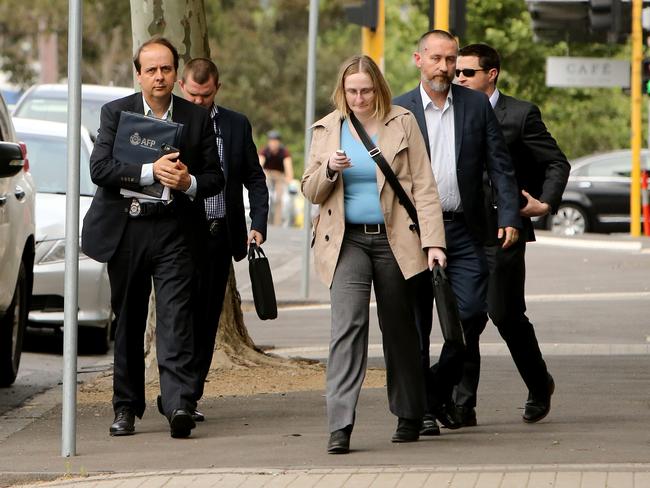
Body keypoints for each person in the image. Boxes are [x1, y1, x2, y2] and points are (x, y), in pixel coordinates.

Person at [301, 54, 447, 454]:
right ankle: (340, 424)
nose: (359, 98)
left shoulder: (402, 122)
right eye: (352, 91)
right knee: (346, 328)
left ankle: (408, 414)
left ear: (378, 88)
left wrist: (434, 243)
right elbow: (310, 190)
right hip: (345, 241)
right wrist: (329, 168)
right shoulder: (327, 128)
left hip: (394, 239)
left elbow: (425, 188)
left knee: (400, 330)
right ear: (342, 92)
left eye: (366, 90)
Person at [81, 37, 224, 439]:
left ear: (175, 73)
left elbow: (215, 178)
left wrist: (188, 181)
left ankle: (178, 404)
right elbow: (101, 168)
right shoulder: (116, 113)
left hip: (176, 232)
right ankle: (125, 408)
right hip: (126, 229)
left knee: (176, 318)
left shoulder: (196, 119)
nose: (159, 76)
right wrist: (150, 171)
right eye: (151, 70)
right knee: (127, 320)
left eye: (165, 69)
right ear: (138, 74)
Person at [393, 30, 521, 436]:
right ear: (418, 59)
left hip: (465, 229)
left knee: (470, 315)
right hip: (412, 231)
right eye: (436, 59)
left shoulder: (476, 105)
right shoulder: (399, 109)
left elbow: (499, 164)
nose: (445, 68)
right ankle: (420, 413)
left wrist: (510, 215)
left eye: (451, 60)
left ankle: (432, 389)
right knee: (416, 323)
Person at [452, 43, 569, 425]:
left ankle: (539, 383)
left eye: (468, 72)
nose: (460, 78)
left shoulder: (519, 115)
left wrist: (544, 204)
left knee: (505, 313)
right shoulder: (448, 112)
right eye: (457, 72)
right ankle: (462, 404)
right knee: (466, 318)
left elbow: (556, 162)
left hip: (505, 231)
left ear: (492, 73)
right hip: (462, 230)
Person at [179, 57, 269, 420]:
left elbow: (255, 179)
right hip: (181, 237)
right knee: (179, 317)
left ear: (216, 89)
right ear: (181, 87)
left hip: (220, 236)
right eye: (193, 95)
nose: (199, 102)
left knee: (205, 321)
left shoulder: (234, 125)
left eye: (206, 95)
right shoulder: (172, 123)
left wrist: (257, 223)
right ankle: (178, 392)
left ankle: (189, 397)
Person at [258, 130, 293, 226]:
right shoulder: (264, 151)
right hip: (267, 175)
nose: (273, 143)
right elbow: (258, 166)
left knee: (279, 198)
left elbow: (289, 170)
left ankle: (277, 222)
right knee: (265, 195)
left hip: (279, 177)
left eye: (275, 141)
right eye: (271, 141)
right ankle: (263, 220)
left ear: (279, 142)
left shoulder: (284, 152)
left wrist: (288, 179)